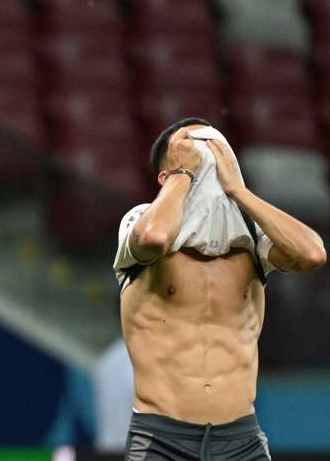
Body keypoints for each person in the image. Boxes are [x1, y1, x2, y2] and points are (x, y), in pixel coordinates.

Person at [114, 117, 326, 460]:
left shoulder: (250, 235)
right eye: (192, 150)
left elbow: (313, 254)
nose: (205, 156)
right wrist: (184, 174)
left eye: (214, 149)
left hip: (240, 440)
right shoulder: (138, 222)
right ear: (164, 177)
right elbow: (153, 238)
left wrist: (239, 191)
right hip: (161, 439)